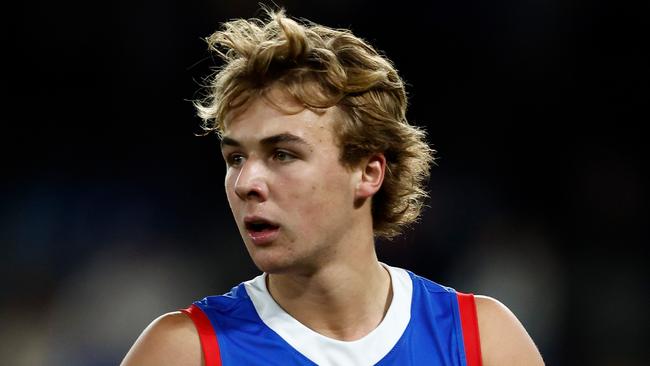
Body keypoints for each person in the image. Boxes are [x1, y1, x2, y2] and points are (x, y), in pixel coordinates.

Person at [121, 7, 544, 366]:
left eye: (282, 154)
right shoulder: (184, 351)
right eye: (235, 158)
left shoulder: (483, 343)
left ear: (368, 172)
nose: (246, 182)